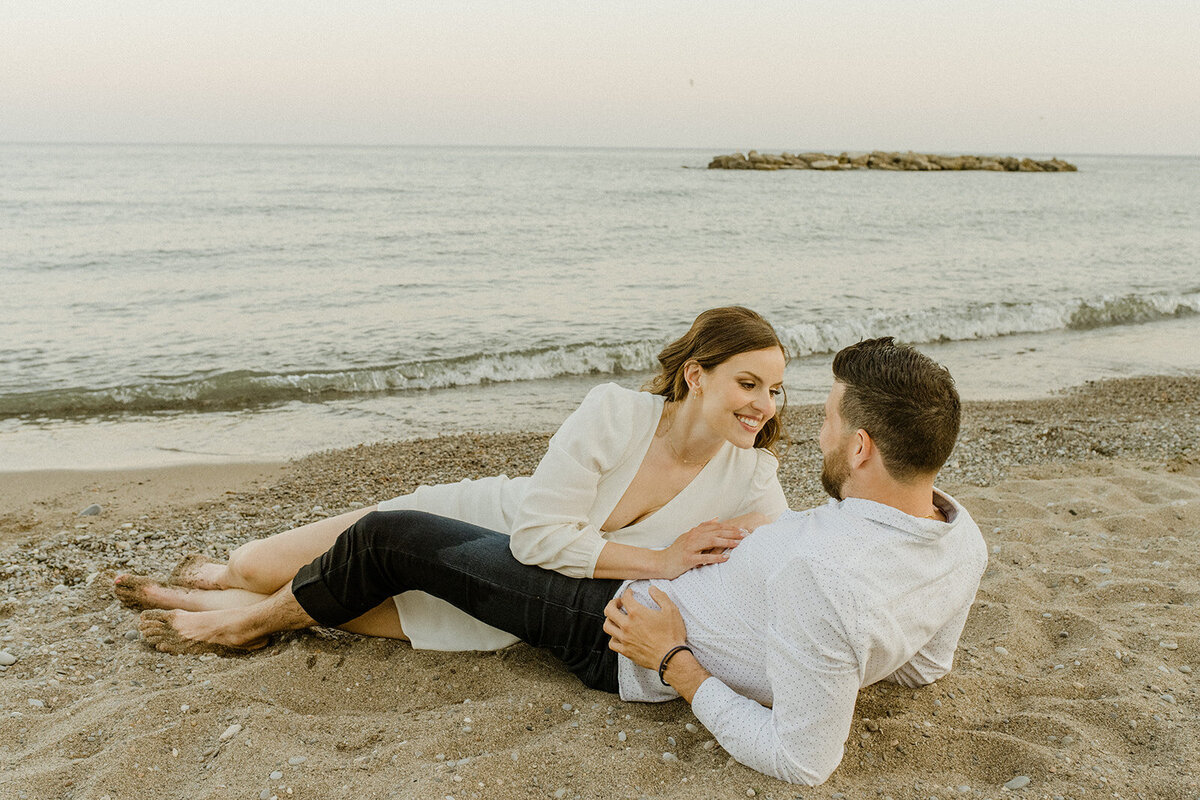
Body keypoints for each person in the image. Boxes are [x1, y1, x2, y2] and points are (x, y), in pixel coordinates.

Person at [135, 336, 987, 786]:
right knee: (420, 559)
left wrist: (677, 662)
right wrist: (806, 649)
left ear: (866, 447)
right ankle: (253, 596)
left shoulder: (826, 576)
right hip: (647, 587)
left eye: (833, 420)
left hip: (616, 632)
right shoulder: (957, 532)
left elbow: (805, 762)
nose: (815, 431)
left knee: (392, 536)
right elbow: (923, 669)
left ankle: (245, 625)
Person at [117, 306, 790, 651]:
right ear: (698, 376)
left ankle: (225, 609)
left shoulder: (753, 475)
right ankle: (229, 578)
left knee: (344, 608)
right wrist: (660, 560)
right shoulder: (614, 414)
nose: (765, 405)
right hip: (485, 521)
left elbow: (784, 556)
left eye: (777, 390)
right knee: (256, 561)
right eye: (749, 383)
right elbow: (535, 536)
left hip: (510, 603)